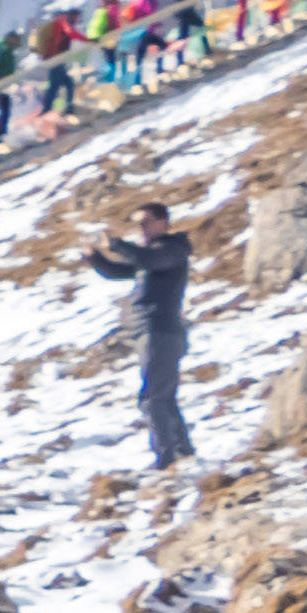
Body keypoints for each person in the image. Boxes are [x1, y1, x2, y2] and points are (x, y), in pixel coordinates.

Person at [86, 201, 199, 469]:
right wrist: (94, 257)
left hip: (160, 330)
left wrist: (116, 245)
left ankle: (166, 458)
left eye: (146, 222)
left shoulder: (171, 250)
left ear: (163, 222)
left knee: (153, 399)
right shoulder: (153, 256)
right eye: (138, 224)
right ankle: (183, 452)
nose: (141, 229)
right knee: (163, 396)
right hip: (154, 332)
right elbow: (119, 271)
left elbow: (145, 259)